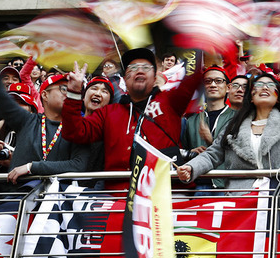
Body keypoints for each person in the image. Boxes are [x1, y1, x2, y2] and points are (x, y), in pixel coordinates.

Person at [176, 71, 280, 193]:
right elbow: (212, 154)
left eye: (270, 85)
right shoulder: (234, 125)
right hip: (244, 201)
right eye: (259, 85)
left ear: (278, 98)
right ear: (252, 97)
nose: (264, 88)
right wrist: (191, 167)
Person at [61, 48, 202, 171]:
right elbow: (75, 132)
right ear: (125, 80)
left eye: (146, 67)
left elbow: (192, 79)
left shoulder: (170, 101)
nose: (139, 70)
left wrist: (197, 43)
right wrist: (73, 93)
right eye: (133, 67)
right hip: (119, 195)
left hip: (164, 192)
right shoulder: (108, 113)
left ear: (154, 78)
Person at [0, 71, 90, 185]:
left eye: (73, 90)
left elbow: (79, 165)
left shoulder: (79, 128)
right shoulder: (27, 120)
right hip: (18, 197)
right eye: (64, 89)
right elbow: (2, 97)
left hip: (57, 199)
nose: (69, 93)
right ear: (45, 95)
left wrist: (32, 167)